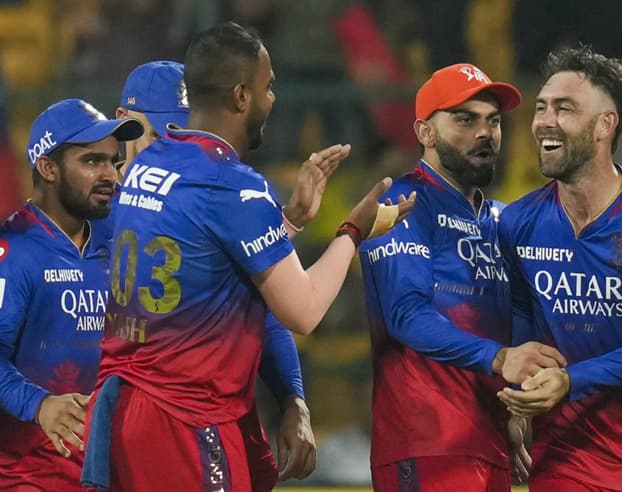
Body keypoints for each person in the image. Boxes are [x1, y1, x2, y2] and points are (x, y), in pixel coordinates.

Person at [83, 21, 414, 492]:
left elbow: (213, 267)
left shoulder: (145, 168)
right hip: (187, 420)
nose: (273, 98)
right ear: (241, 96)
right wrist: (353, 230)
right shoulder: (235, 187)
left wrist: (286, 224)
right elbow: (303, 310)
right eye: (268, 86)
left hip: (129, 414)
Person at [496, 46, 622, 491]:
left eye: (564, 108)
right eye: (541, 107)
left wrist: (571, 381)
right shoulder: (518, 222)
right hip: (565, 460)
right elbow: (521, 316)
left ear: (605, 125)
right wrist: (514, 407)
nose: (544, 121)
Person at [358, 63, 567, 491]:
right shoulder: (402, 203)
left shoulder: (501, 220)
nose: (485, 133)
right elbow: (405, 315)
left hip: (490, 445)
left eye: (493, 121)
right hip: (427, 444)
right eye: (465, 120)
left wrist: (513, 406)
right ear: (425, 133)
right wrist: (499, 358)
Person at [115, 60, 319, 489]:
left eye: (183, 132)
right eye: (160, 135)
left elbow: (256, 307)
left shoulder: (205, 196)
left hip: (200, 420)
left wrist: (292, 398)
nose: (176, 148)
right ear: (123, 124)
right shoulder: (89, 211)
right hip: (143, 423)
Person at [0, 99, 143, 490]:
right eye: (92, 161)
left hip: (111, 472)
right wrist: (39, 404)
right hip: (29, 478)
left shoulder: (120, 239)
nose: (110, 175)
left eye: (113, 162)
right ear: (48, 168)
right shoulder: (13, 251)